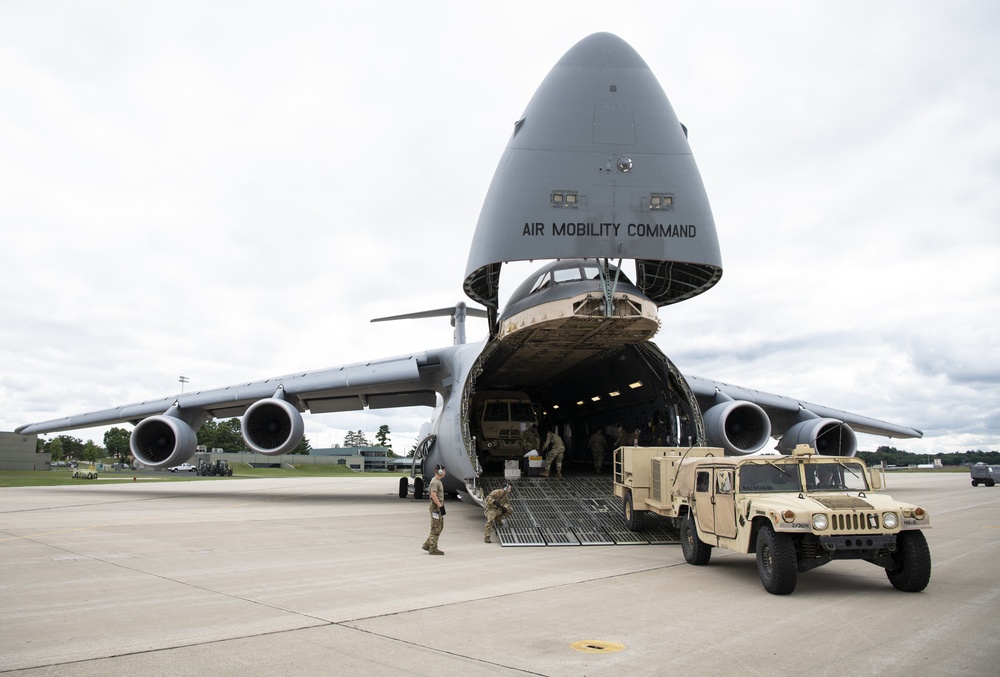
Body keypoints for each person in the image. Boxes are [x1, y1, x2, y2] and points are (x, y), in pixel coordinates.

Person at [422, 467, 447, 555]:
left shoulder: (436, 481)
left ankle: (427, 544)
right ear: (440, 472)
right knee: (436, 527)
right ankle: (433, 548)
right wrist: (440, 506)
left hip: (437, 506)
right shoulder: (435, 482)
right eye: (444, 471)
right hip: (436, 507)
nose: (445, 473)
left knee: (440, 526)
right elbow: (433, 495)